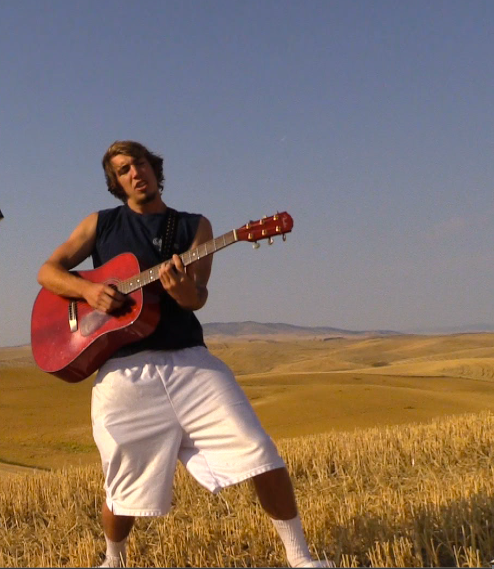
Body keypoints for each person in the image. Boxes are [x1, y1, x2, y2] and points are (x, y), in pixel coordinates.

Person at [36, 140, 331, 568]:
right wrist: (88, 291)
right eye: (123, 170)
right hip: (123, 370)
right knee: (121, 482)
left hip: (190, 362)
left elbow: (198, 297)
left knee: (258, 450)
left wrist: (182, 291)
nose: (135, 173)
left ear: (154, 168)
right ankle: (113, 561)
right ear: (116, 183)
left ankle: (300, 558)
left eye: (139, 164)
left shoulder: (194, 226)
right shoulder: (100, 224)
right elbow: (48, 272)